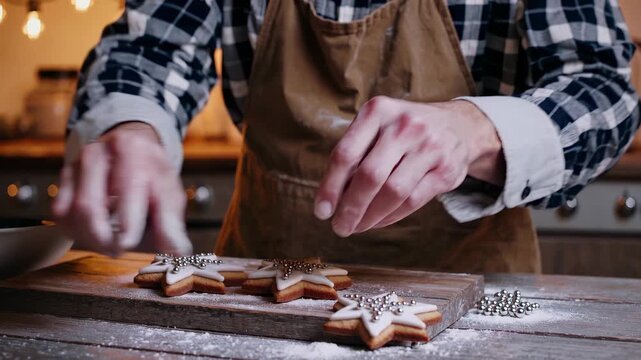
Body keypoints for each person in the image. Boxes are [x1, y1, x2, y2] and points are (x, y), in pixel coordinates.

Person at [53, 0, 640, 273]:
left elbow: (605, 91)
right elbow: (151, 47)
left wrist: (478, 128)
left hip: (479, 299)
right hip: (257, 289)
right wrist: (129, 122)